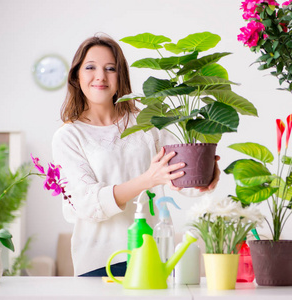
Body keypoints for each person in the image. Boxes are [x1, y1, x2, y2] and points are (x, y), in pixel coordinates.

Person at [51, 34, 220, 277]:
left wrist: (207, 172)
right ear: (77, 76)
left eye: (111, 68)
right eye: (90, 67)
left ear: (121, 78)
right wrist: (148, 179)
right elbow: (88, 204)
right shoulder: (69, 136)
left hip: (154, 254)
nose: (100, 76)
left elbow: (182, 178)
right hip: (99, 262)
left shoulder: (148, 122)